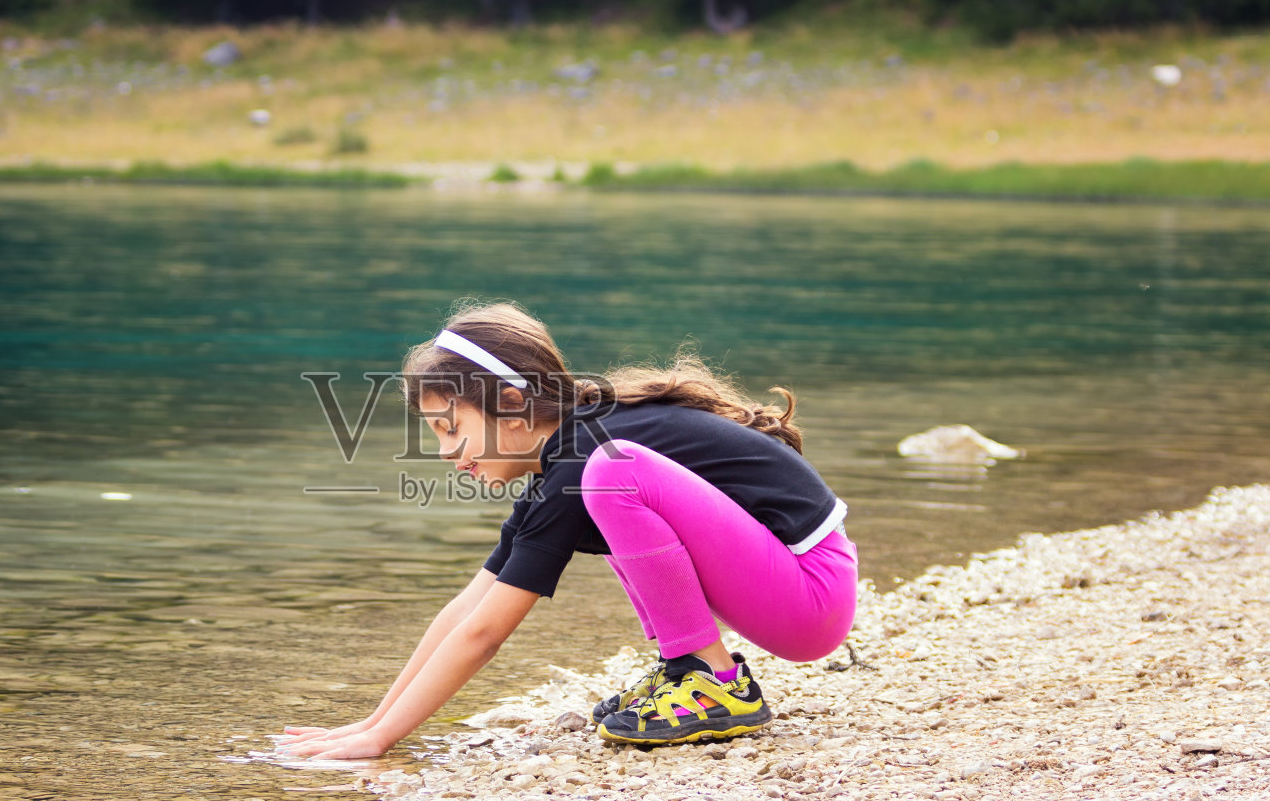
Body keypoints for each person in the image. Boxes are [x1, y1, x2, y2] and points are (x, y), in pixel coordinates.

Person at [279, 301, 857, 759]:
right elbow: (468, 608)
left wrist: (381, 743)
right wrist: (374, 722)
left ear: (510, 402)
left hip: (809, 594)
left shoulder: (587, 456)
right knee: (607, 486)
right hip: (797, 590)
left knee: (611, 476)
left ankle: (708, 677)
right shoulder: (566, 456)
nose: (446, 452)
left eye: (450, 427)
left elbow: (486, 634)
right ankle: (687, 670)